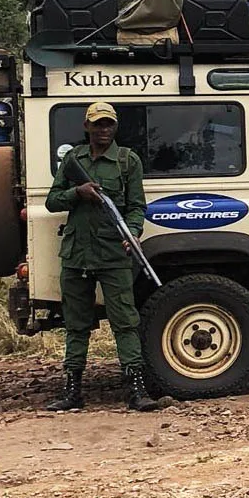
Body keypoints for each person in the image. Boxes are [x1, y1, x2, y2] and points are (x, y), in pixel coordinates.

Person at [44, 101, 159, 412]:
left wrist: (132, 232)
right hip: (76, 254)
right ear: (87, 127)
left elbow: (136, 207)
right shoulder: (72, 159)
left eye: (108, 124)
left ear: (115, 127)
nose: (103, 129)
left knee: (125, 321)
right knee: (76, 324)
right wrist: (76, 194)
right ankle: (72, 391)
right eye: (98, 124)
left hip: (112, 253)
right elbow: (52, 202)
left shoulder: (126, 161)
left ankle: (136, 389)